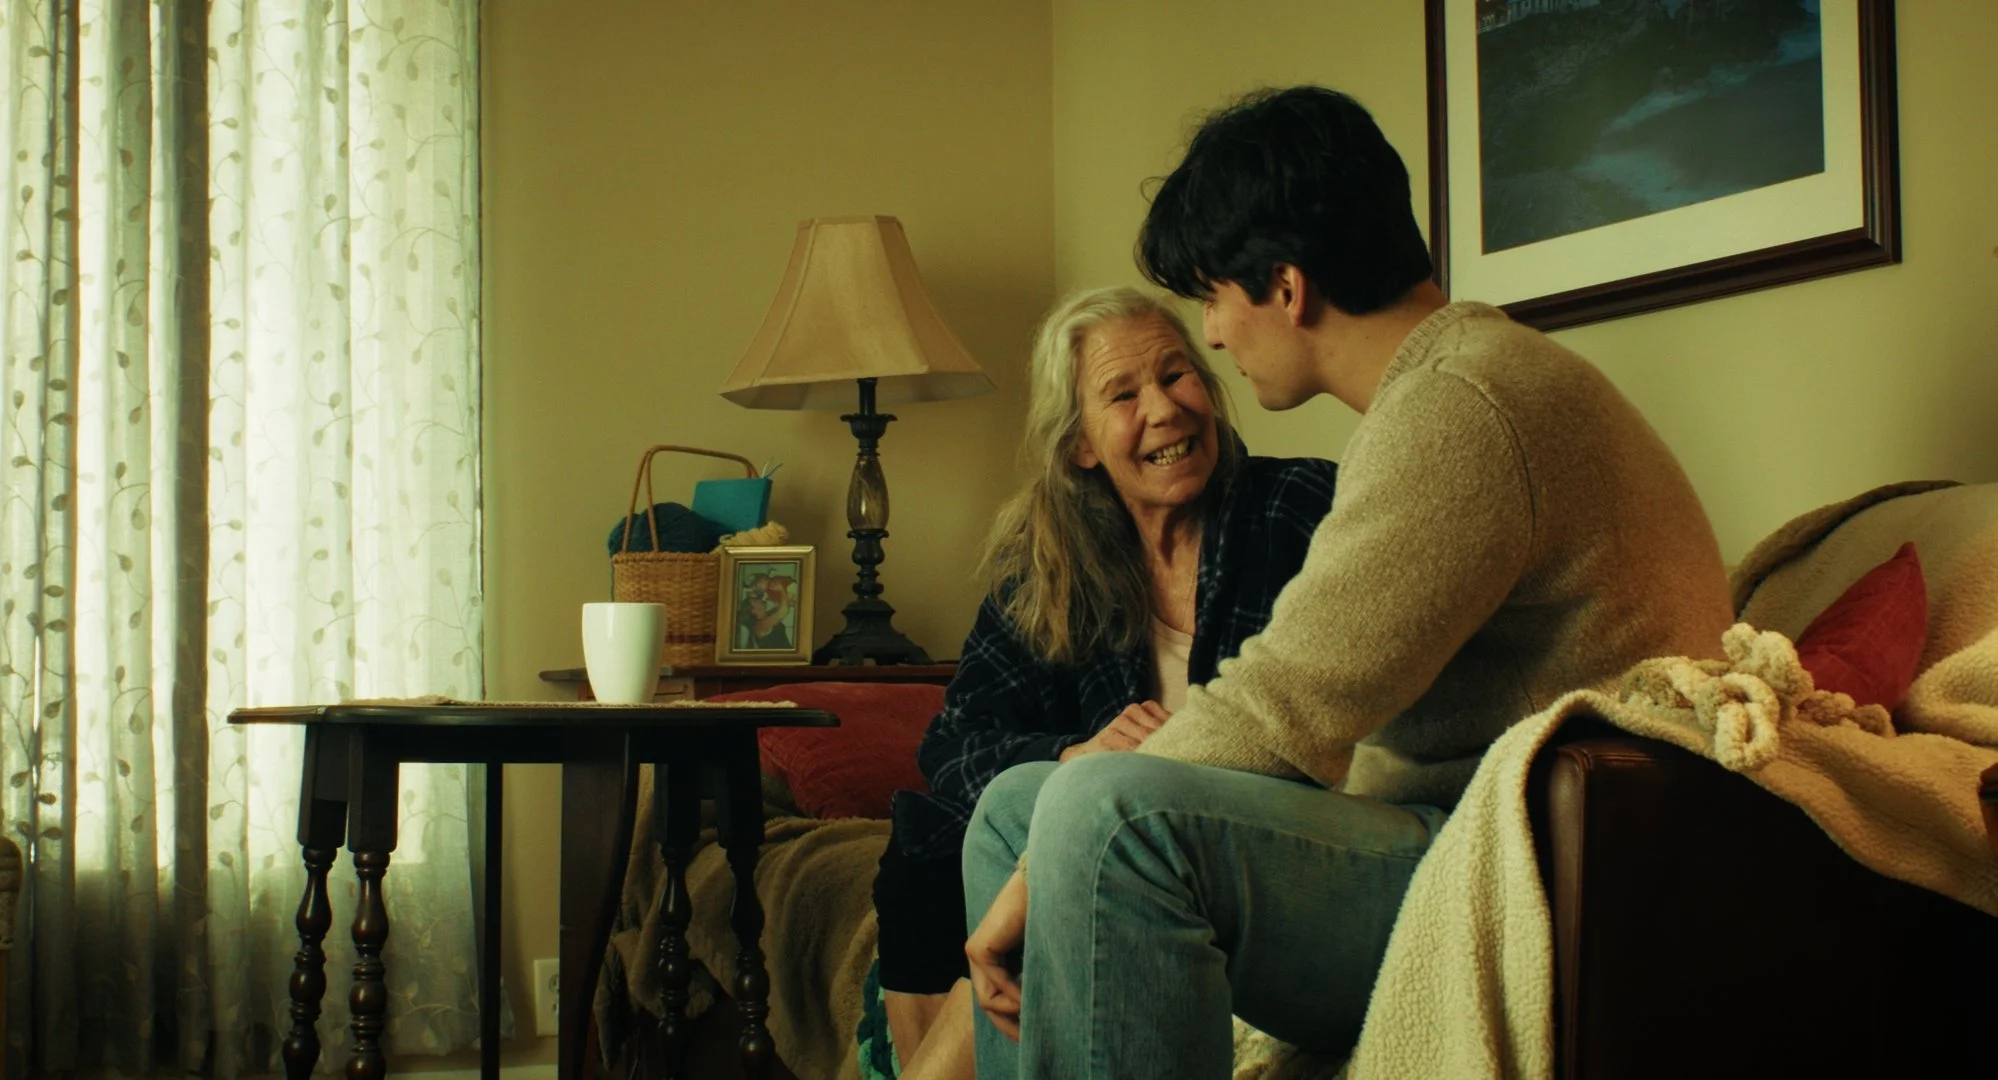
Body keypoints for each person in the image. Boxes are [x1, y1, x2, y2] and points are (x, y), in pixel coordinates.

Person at [961, 86, 1735, 1078]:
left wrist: (1044, 871)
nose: (1215, 335)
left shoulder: (1460, 409)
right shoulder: (1461, 383)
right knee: (1016, 807)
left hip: (1516, 873)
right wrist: (1034, 857)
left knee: (1099, 817)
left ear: (1286, 289)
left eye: (1214, 298)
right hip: (1461, 833)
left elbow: (1282, 709)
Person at [863, 286, 1340, 1078]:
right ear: (1081, 444)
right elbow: (952, 743)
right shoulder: (1052, 564)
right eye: (1123, 394)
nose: (1164, 409)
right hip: (1110, 846)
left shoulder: (1299, 508)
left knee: (1052, 818)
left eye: (1178, 375)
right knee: (960, 831)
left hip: (1257, 839)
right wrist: (1072, 756)